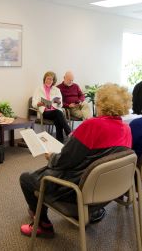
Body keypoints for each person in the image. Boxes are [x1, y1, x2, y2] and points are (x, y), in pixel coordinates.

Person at [20, 83, 132, 238]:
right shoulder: (126, 128)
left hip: (76, 189)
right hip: (104, 189)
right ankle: (92, 211)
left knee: (26, 179)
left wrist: (51, 157)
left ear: (101, 104)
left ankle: (42, 224)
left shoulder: (93, 125)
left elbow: (65, 160)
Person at [32, 71, 71, 143]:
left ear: (53, 81)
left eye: (51, 79)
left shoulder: (57, 90)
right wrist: (39, 104)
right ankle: (69, 133)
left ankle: (60, 142)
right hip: (45, 112)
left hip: (55, 112)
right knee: (58, 113)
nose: (49, 81)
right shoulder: (38, 89)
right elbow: (33, 103)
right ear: (45, 79)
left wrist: (59, 102)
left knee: (58, 120)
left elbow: (61, 105)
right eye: (48, 79)